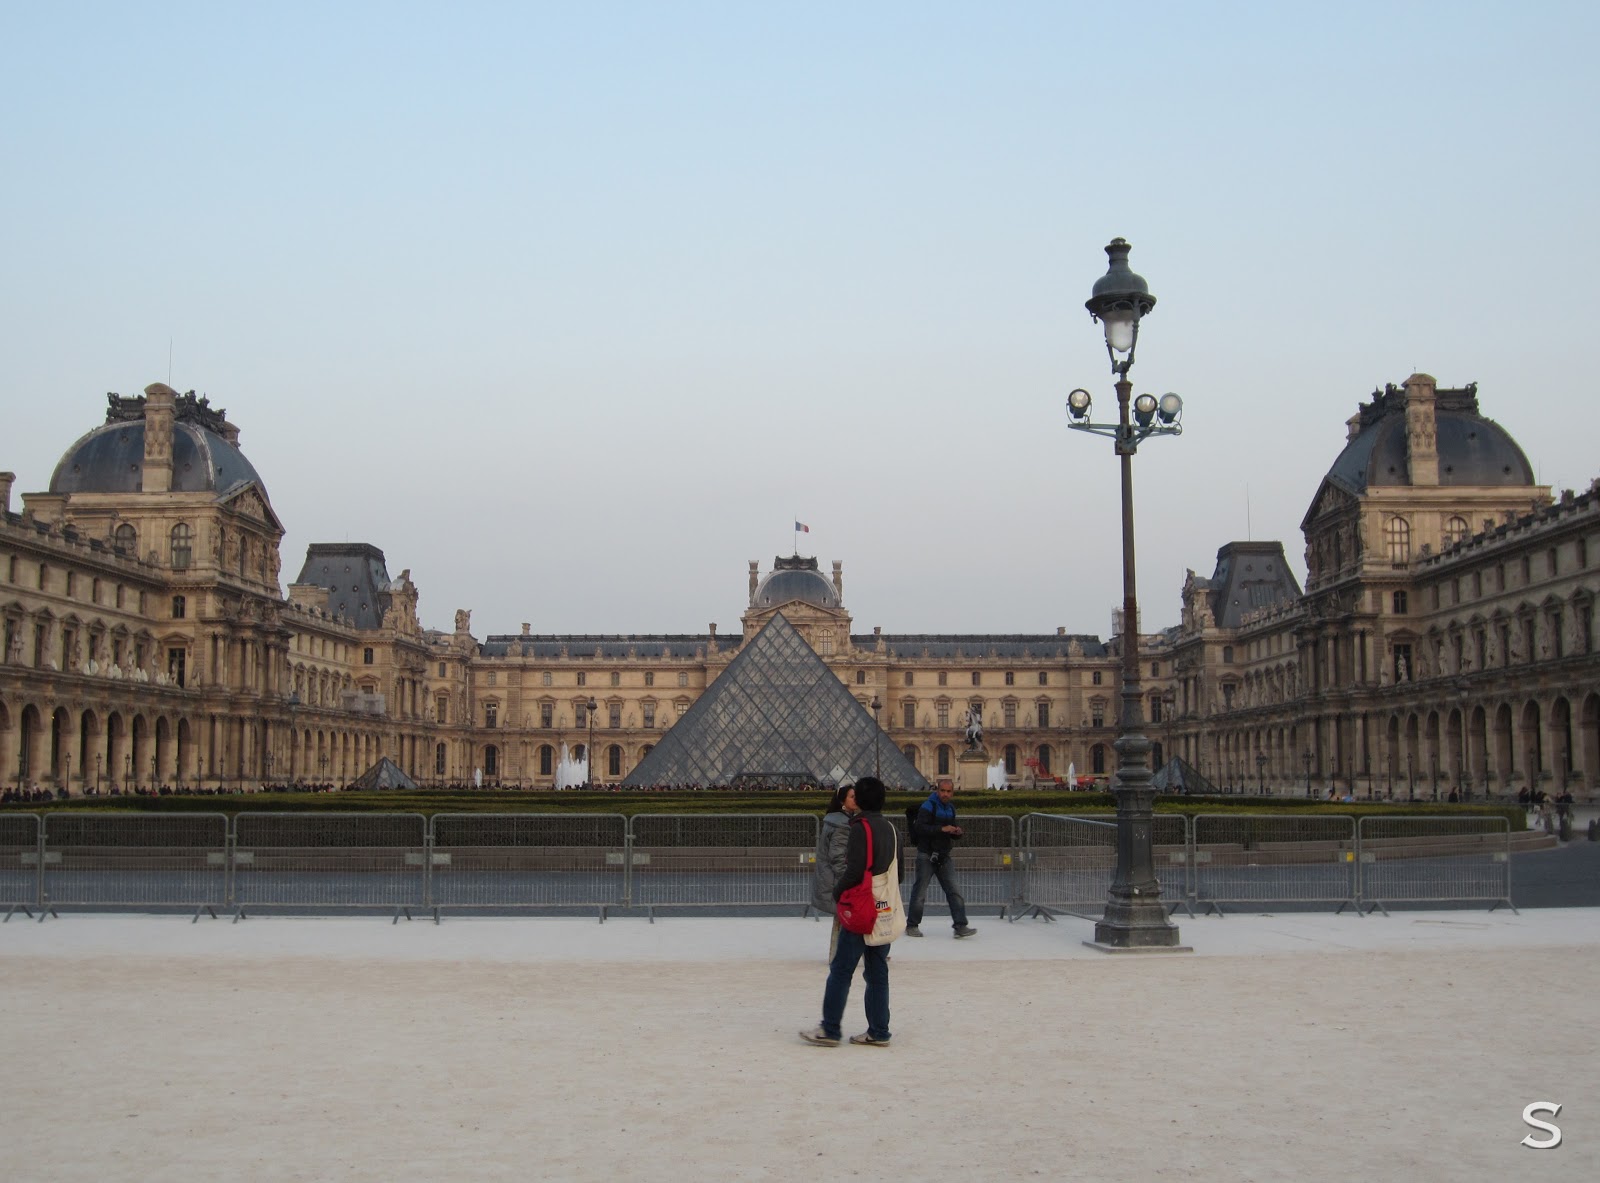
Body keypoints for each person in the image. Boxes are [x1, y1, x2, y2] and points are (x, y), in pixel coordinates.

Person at [800, 776, 897, 1047]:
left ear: (862, 800)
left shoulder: (859, 828)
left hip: (861, 907)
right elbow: (897, 872)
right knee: (877, 972)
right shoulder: (891, 828)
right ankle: (879, 1031)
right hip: (883, 905)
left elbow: (853, 870)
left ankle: (830, 1029)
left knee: (841, 969)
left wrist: (838, 892)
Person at [905, 782, 976, 939]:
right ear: (937, 791)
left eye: (948, 791)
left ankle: (960, 926)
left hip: (943, 855)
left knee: (954, 891)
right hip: (926, 855)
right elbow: (920, 828)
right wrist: (941, 829)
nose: (945, 794)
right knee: (920, 892)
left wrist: (957, 833)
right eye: (942, 791)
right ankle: (912, 925)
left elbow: (950, 831)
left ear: (952, 793)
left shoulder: (950, 808)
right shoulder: (928, 806)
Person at [810, 783, 857, 956]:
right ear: (842, 801)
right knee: (846, 917)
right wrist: (849, 880)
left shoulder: (835, 819)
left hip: (830, 878)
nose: (856, 799)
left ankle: (838, 954)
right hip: (837, 880)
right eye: (852, 796)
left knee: (843, 918)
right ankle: (839, 955)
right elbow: (838, 857)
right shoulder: (842, 825)